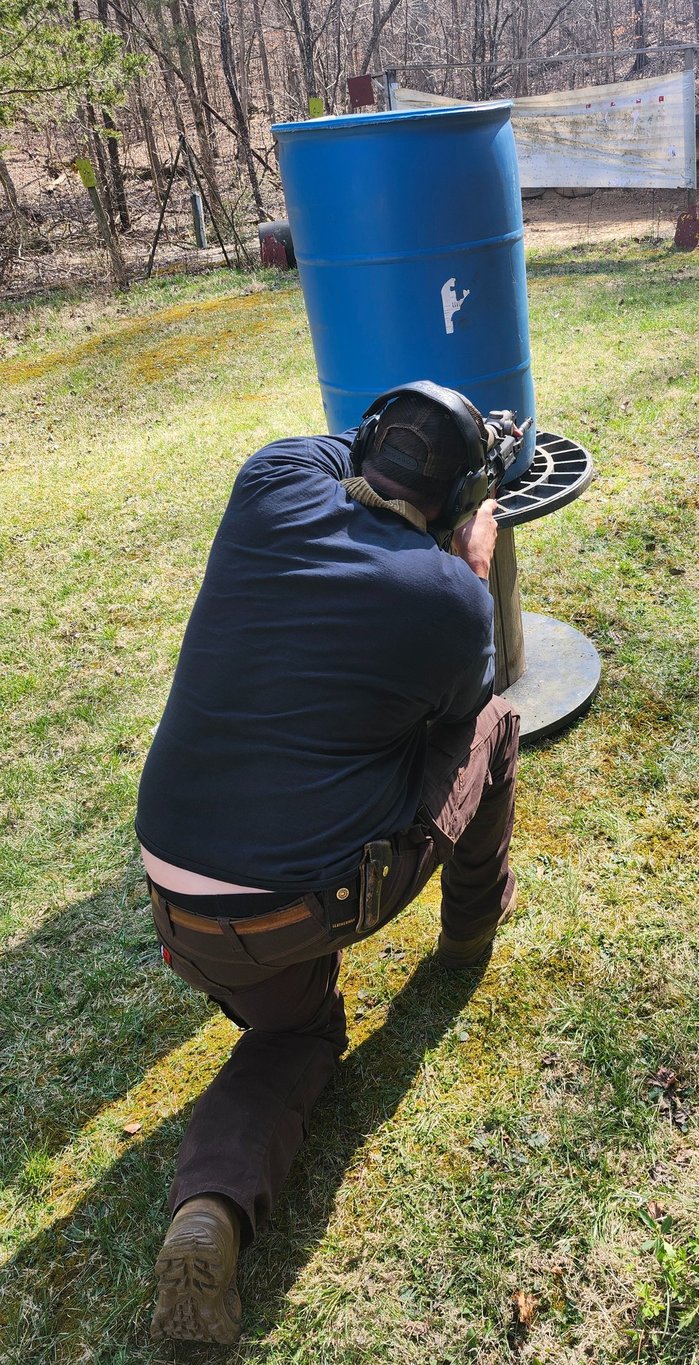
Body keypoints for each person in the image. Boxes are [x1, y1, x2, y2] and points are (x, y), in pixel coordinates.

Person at [136, 381, 520, 1344]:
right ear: (464, 499)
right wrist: (471, 570)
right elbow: (446, 718)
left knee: (294, 1033)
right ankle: (473, 929)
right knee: (489, 726)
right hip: (294, 905)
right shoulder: (450, 602)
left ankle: (211, 1208)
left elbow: (334, 460)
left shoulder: (271, 481)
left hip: (176, 897)